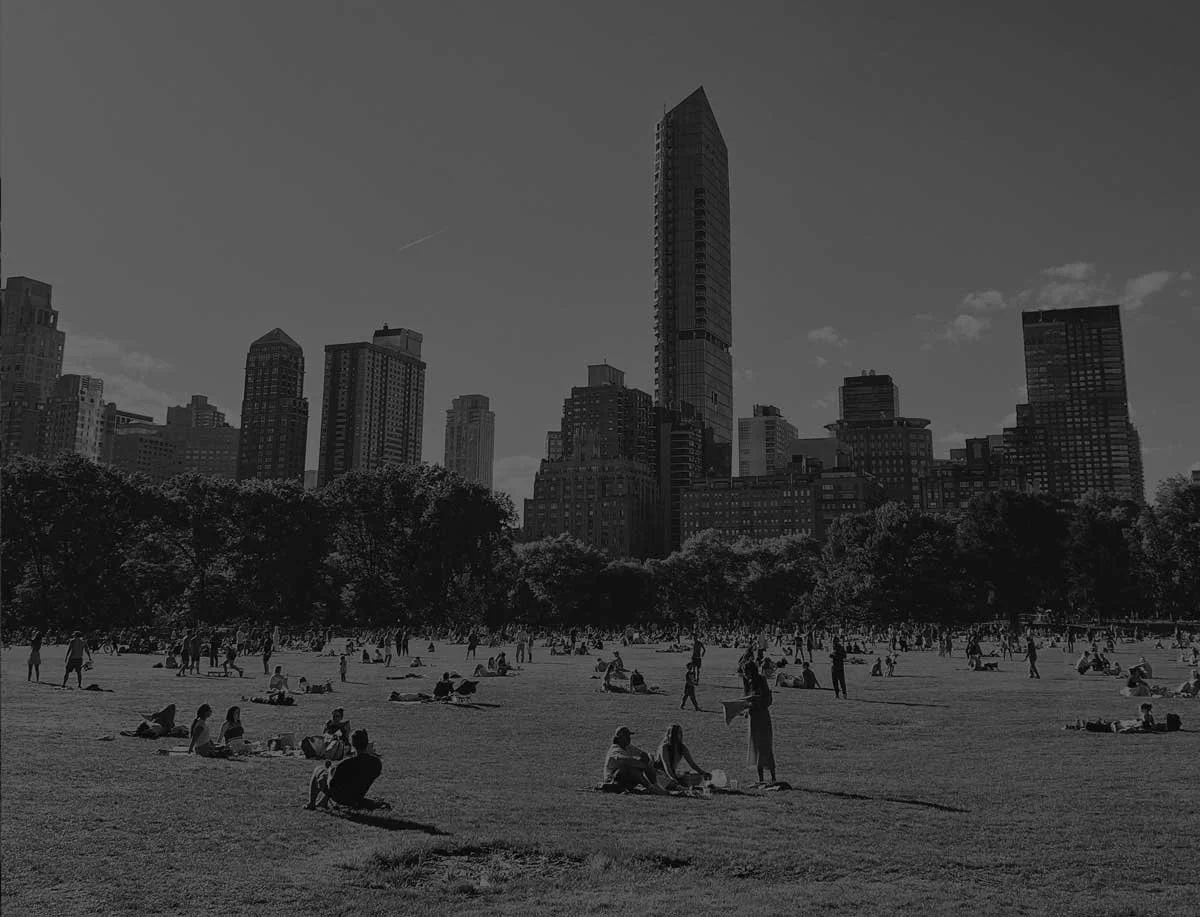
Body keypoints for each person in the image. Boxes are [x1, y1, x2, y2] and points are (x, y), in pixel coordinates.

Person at [306, 729, 384, 810]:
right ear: (367, 743)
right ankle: (323, 802)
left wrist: (329, 769)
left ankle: (311, 804)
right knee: (341, 780)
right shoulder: (376, 763)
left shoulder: (346, 764)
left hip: (340, 798)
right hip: (357, 797)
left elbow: (331, 783)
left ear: (352, 744)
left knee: (319, 769)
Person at [602, 726, 666, 794]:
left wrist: (649, 760)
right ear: (620, 738)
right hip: (612, 780)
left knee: (644, 763)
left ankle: (656, 785)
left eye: (629, 736)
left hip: (625, 779)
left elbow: (644, 755)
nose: (629, 738)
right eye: (626, 736)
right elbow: (625, 761)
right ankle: (651, 787)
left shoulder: (628, 747)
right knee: (631, 769)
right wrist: (642, 765)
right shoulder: (615, 750)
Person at [743, 661, 776, 784]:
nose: (745, 674)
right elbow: (746, 699)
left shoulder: (761, 680)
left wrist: (754, 700)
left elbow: (767, 699)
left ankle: (773, 777)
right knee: (756, 746)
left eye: (746, 672)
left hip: (762, 717)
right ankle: (761, 778)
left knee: (765, 746)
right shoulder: (747, 682)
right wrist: (746, 708)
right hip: (753, 718)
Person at [654, 724, 710, 789]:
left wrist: (704, 773)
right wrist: (673, 778)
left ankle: (677, 784)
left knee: (698, 778)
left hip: (673, 774)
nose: (679, 735)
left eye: (680, 733)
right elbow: (667, 767)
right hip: (661, 775)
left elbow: (692, 764)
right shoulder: (664, 747)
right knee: (667, 781)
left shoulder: (682, 748)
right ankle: (675, 784)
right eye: (676, 733)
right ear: (669, 735)